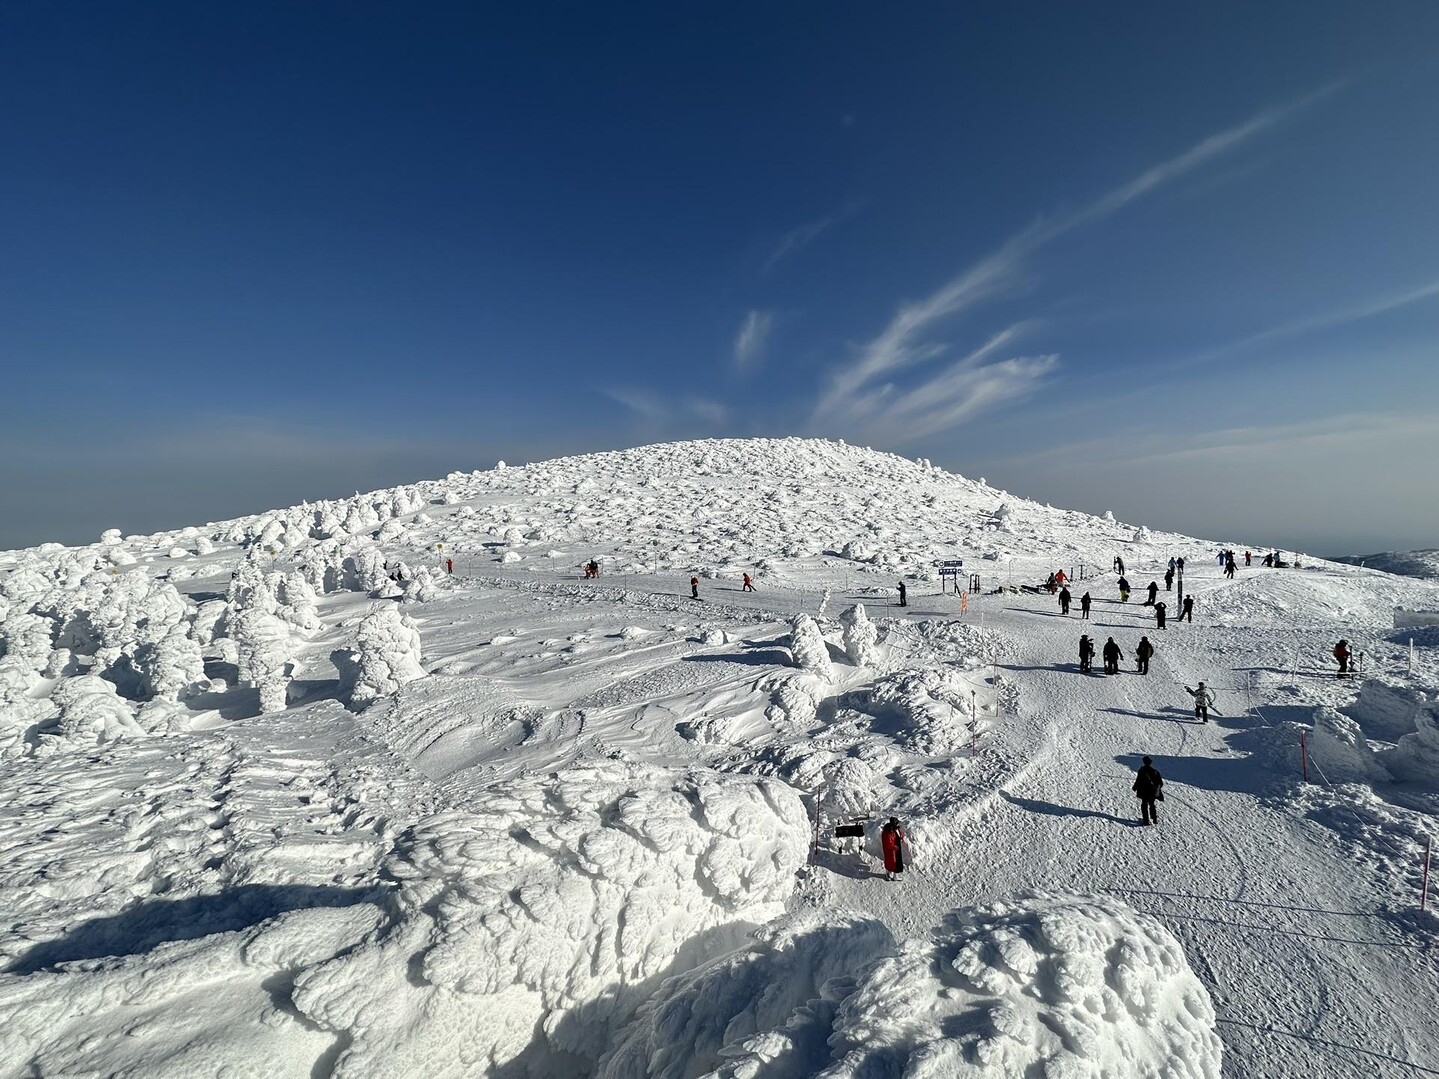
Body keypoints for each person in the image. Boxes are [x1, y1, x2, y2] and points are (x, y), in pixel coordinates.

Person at [1133, 756, 1164, 826]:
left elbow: (1138, 780)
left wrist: (1134, 787)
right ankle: (1154, 818)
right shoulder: (1155, 772)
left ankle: (1146, 820)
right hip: (1152, 792)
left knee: (1144, 805)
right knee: (1152, 804)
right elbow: (1160, 783)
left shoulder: (1141, 770)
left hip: (1144, 791)